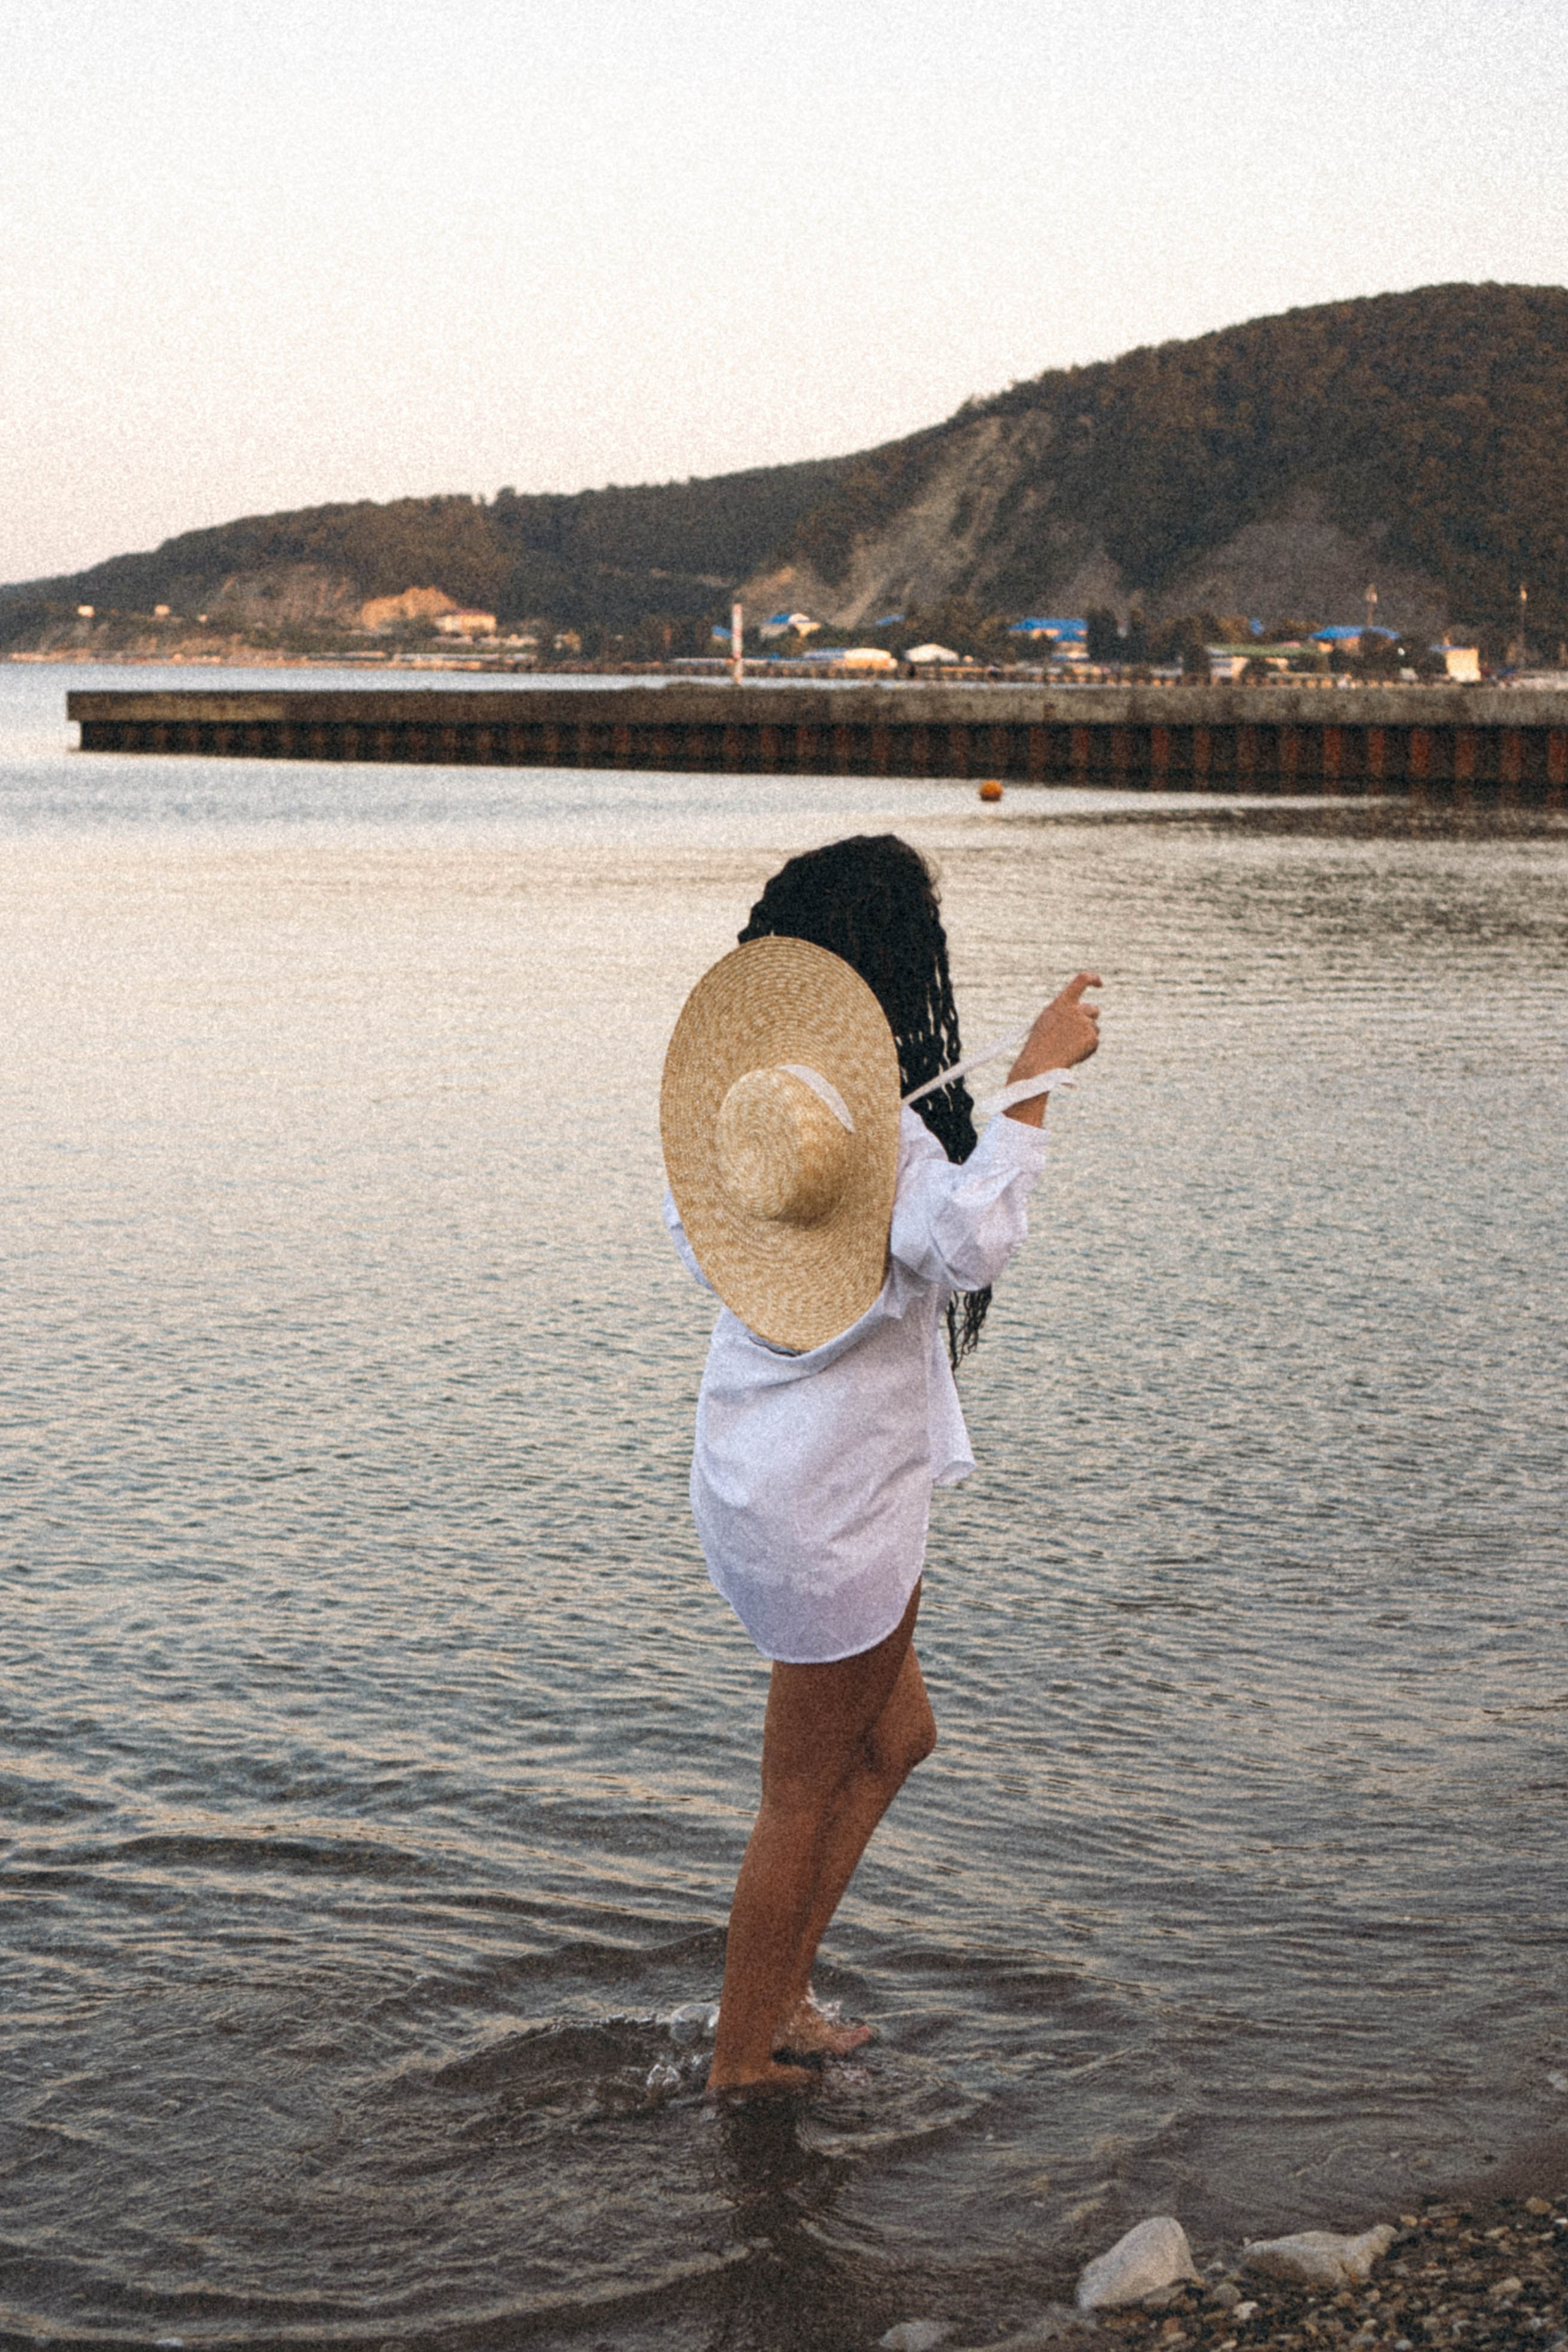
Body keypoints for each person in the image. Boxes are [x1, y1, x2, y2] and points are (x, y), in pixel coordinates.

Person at [660, 835, 1099, 2098]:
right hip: (830, 1501)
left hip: (765, 1469)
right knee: (797, 1794)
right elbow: (969, 1243)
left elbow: (713, 1257)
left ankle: (779, 1993)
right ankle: (742, 2060)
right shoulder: (867, 1133)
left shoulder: (761, 1111)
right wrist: (1029, 1078)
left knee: (895, 1737)